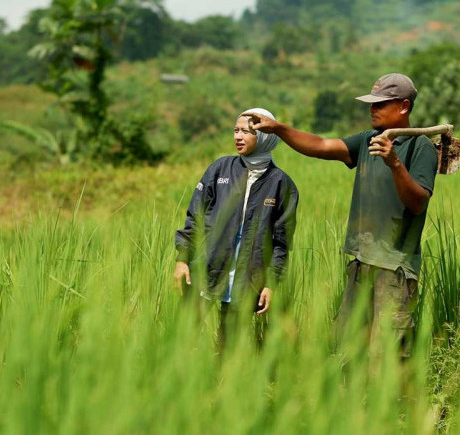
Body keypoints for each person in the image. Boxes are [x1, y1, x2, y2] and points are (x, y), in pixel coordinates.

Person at [244, 73, 438, 358]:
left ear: (404, 107)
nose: (372, 109)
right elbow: (322, 146)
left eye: (380, 104)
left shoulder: (420, 148)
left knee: (385, 356)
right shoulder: (367, 140)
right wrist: (278, 129)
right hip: (360, 263)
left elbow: (418, 203)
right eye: (371, 104)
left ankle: (392, 403)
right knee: (349, 348)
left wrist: (394, 163)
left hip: (393, 269)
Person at [174, 108, 299, 348]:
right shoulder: (219, 169)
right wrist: (182, 259)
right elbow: (195, 217)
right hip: (206, 268)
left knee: (229, 345)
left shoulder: (281, 184)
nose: (238, 137)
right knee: (183, 336)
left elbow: (281, 243)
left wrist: (271, 283)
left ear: (265, 137)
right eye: (236, 130)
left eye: (246, 131)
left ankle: (224, 384)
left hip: (246, 277)